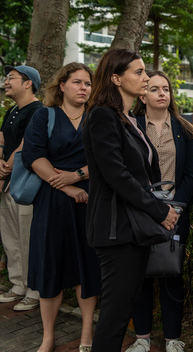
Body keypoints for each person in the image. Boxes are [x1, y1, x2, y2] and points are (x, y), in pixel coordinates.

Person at [82, 48, 179, 351]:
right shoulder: (101, 115)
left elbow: (144, 176)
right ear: (116, 79)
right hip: (115, 228)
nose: (146, 77)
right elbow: (117, 175)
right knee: (114, 314)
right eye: (138, 73)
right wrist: (160, 210)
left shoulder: (128, 119)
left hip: (132, 228)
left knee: (125, 308)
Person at [21, 62, 101, 352]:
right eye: (78, 82)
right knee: (50, 266)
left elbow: (108, 156)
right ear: (62, 86)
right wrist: (67, 186)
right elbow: (33, 155)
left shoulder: (97, 117)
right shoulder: (45, 116)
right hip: (52, 201)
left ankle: (86, 335)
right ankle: (47, 337)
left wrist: (78, 176)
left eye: (88, 84)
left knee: (87, 267)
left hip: (89, 200)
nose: (84, 88)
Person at [126, 70, 193, 352]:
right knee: (139, 276)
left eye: (166, 89)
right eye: (154, 88)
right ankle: (142, 338)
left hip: (175, 215)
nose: (161, 94)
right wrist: (149, 206)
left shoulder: (184, 128)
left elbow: (191, 174)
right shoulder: (130, 126)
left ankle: (172, 339)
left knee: (171, 274)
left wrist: (176, 208)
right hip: (140, 212)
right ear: (142, 95)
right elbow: (127, 173)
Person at [0, 65, 43, 311]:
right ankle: (17, 284)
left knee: (27, 237)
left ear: (28, 83)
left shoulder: (38, 111)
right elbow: (2, 139)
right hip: (6, 183)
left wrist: (8, 163)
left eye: (11, 78)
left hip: (25, 185)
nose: (6, 82)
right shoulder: (12, 111)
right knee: (10, 235)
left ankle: (33, 289)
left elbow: (29, 143)